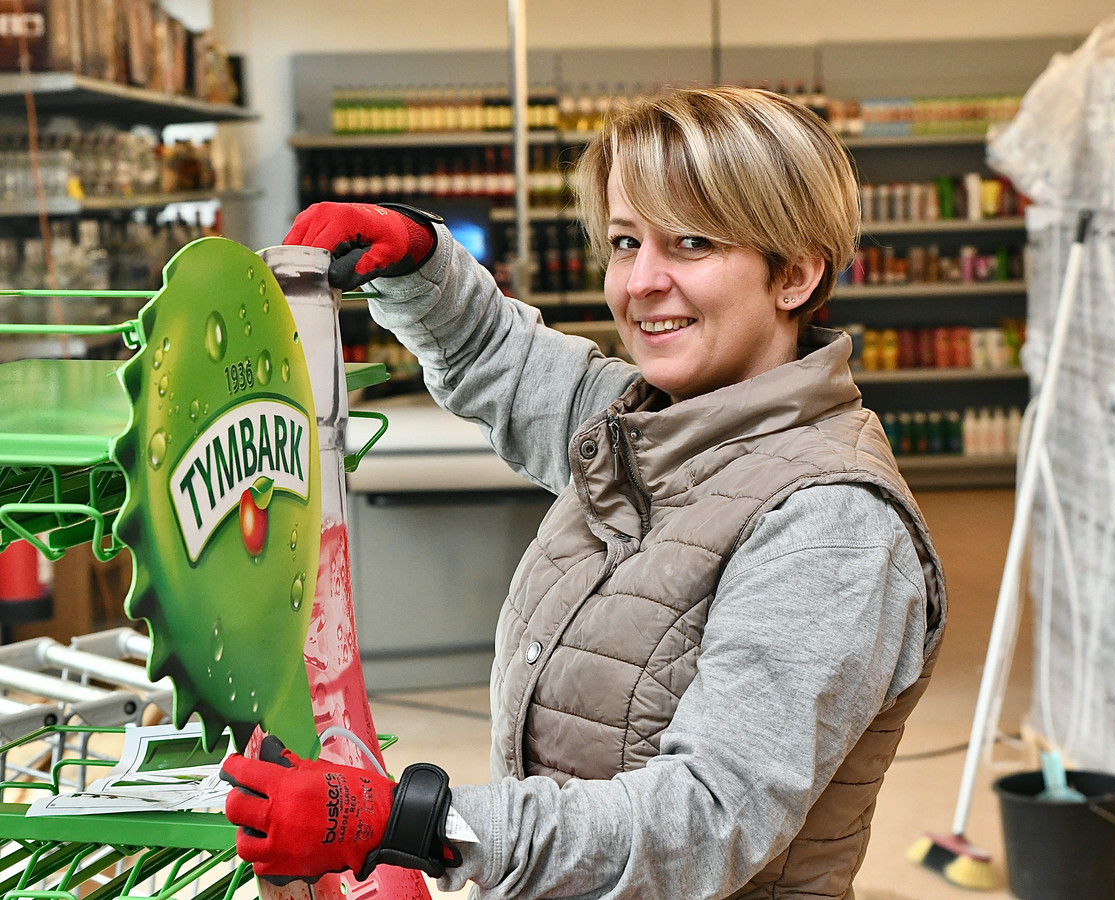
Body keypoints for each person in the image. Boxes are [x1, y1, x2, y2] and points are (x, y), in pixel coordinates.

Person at [222, 85, 947, 900]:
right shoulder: (649, 426)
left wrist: (411, 822)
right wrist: (422, 261)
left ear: (796, 273)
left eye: (692, 243)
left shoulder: (830, 526)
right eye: (626, 241)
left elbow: (703, 822)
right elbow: (507, 357)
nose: (641, 282)